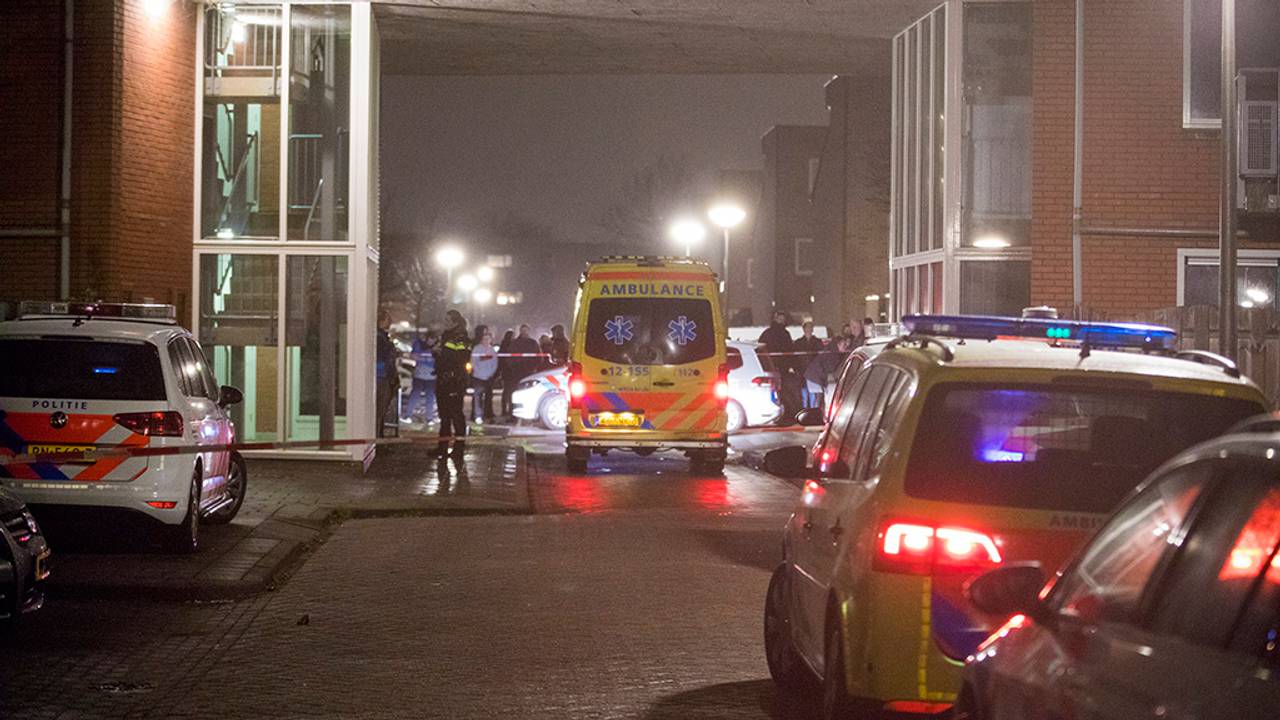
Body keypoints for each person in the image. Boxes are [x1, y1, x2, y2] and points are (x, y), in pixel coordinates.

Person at [434, 309, 471, 461]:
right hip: (444, 380)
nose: (445, 324)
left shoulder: (460, 337)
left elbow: (458, 359)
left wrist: (440, 353)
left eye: (448, 321)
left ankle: (459, 448)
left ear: (455, 322)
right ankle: (442, 448)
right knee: (444, 416)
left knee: (456, 415)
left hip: (454, 382)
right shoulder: (447, 336)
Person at [758, 311, 800, 423]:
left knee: (778, 392)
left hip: (775, 368)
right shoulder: (783, 333)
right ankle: (785, 414)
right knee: (782, 391)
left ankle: (782, 414)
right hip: (780, 368)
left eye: (783, 319)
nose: (781, 321)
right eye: (780, 319)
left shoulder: (769, 333)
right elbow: (789, 351)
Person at [804, 335, 852, 415]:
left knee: (818, 399)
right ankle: (815, 416)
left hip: (814, 377)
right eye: (844, 345)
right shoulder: (832, 355)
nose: (845, 347)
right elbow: (830, 371)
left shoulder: (830, 351)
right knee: (817, 399)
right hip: (815, 378)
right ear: (838, 344)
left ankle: (816, 415)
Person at [406, 330, 438, 426]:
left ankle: (429, 418)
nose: (431, 342)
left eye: (433, 340)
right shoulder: (419, 345)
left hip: (431, 377)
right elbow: (413, 356)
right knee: (415, 395)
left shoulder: (436, 349)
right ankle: (408, 415)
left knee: (430, 397)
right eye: (430, 340)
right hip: (419, 375)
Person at [375, 311, 398, 438]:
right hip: (381, 377)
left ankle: (378, 437)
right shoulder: (380, 338)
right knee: (379, 411)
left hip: (382, 376)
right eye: (387, 320)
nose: (390, 323)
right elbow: (385, 358)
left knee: (380, 412)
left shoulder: (380, 337)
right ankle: (377, 439)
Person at [793, 321, 825, 409]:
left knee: (813, 392)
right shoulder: (798, 343)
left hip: (814, 371)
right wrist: (796, 368)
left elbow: (821, 355)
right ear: (803, 329)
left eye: (810, 328)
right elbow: (795, 358)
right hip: (802, 370)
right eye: (807, 328)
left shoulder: (817, 342)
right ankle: (804, 409)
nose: (809, 330)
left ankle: (812, 410)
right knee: (804, 391)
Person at [470, 326, 498, 423]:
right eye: (485, 339)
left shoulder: (492, 350)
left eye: (488, 339)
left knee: (488, 397)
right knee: (478, 397)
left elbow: (495, 363)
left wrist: (491, 373)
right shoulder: (477, 349)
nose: (487, 341)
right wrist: (479, 372)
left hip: (489, 377)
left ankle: (487, 414)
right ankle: (477, 415)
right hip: (478, 377)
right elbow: (473, 362)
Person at [497, 328, 517, 421]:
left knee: (506, 391)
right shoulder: (512, 346)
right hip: (510, 371)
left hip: (506, 371)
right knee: (510, 391)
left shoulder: (503, 345)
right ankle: (510, 410)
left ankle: (505, 409)